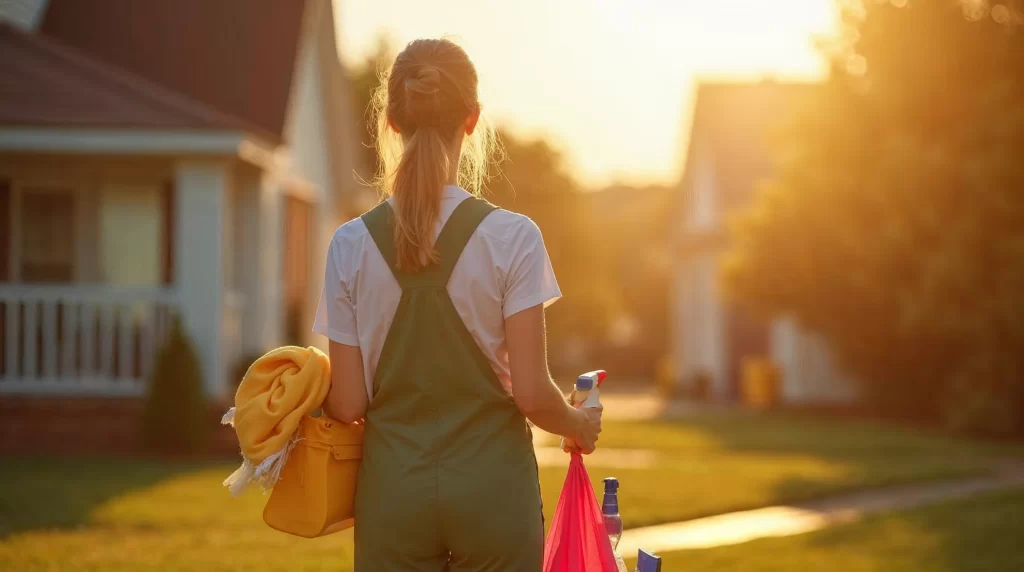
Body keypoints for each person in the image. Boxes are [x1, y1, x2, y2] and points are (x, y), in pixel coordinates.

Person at [313, 38, 603, 571]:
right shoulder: (512, 238)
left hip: (393, 497)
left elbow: (349, 403)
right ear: (471, 120)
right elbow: (535, 396)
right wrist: (577, 425)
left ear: (392, 123)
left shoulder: (349, 245)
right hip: (494, 497)